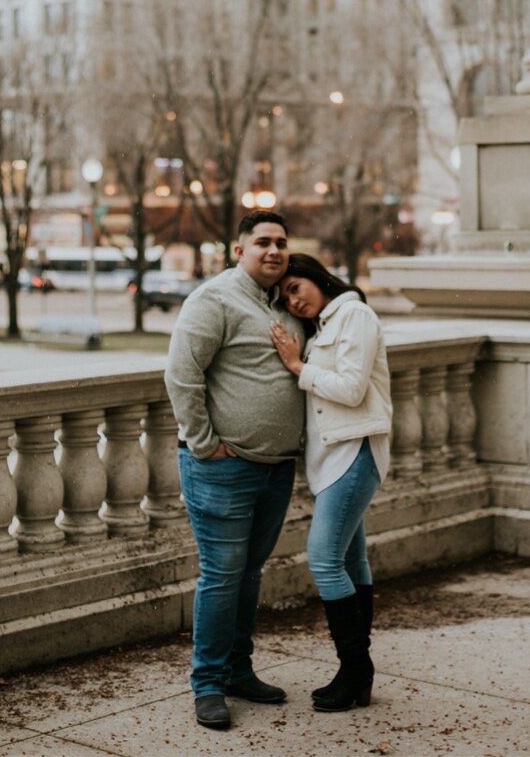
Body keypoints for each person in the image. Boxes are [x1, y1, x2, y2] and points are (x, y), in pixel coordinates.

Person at [165, 211, 304, 731]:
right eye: (262, 242)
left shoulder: (283, 305)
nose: (273, 251)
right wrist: (204, 443)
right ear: (238, 249)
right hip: (223, 468)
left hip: (274, 468)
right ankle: (206, 685)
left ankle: (238, 671)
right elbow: (181, 374)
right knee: (223, 576)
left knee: (248, 575)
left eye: (281, 243)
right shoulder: (214, 299)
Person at [268, 253, 392, 712]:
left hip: (354, 449)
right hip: (331, 456)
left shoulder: (354, 313)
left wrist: (298, 367)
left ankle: (356, 668)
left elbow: (352, 388)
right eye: (285, 297)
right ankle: (356, 672)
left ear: (317, 278)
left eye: (295, 287)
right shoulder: (323, 324)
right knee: (351, 559)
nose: (293, 300)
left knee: (323, 560)